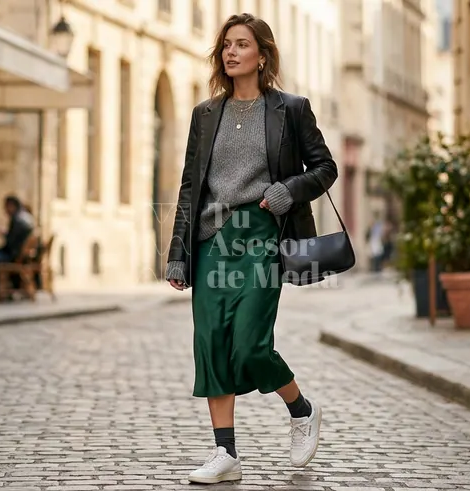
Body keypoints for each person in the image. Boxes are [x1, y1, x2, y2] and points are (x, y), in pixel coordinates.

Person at [165, 13, 337, 484]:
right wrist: (177, 251)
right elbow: (189, 186)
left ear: (262, 55)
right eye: (226, 45)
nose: (231, 52)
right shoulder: (205, 114)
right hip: (210, 241)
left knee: (250, 345)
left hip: (261, 236)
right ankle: (226, 455)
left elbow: (325, 168)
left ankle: (302, 410)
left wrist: (288, 190)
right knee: (212, 344)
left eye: (241, 44)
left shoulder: (291, 109)